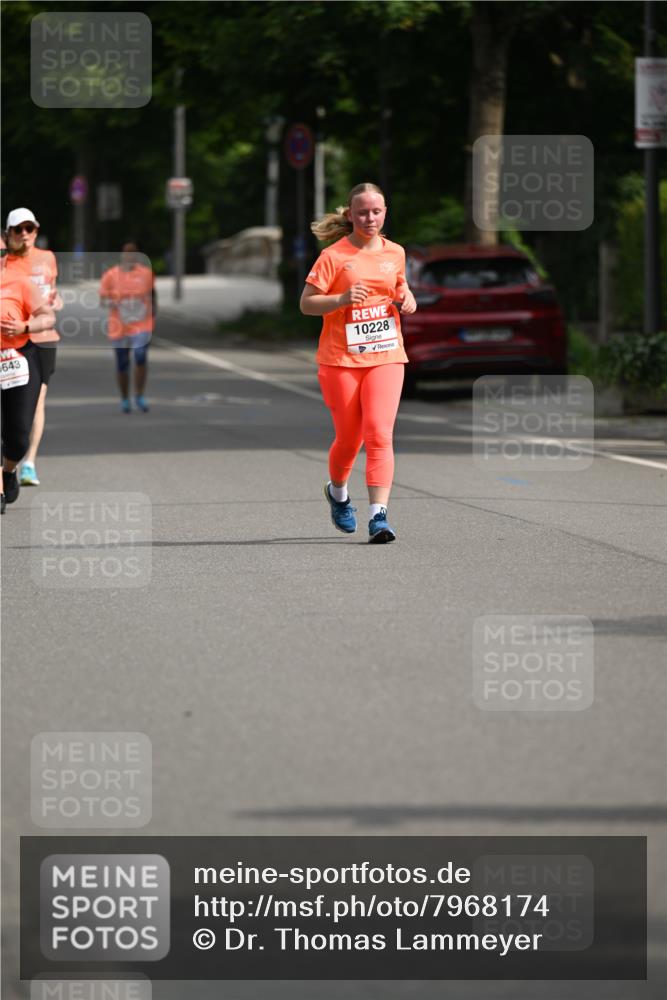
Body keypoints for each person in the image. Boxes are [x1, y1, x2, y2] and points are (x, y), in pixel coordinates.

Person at [300, 182, 417, 544]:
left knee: (379, 434)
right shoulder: (333, 256)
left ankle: (378, 517)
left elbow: (399, 286)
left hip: (386, 354)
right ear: (350, 215)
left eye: (377, 211)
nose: (370, 218)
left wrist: (407, 298)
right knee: (349, 440)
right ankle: (338, 492)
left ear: (385, 213)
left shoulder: (395, 252)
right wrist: (342, 298)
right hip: (341, 360)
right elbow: (306, 303)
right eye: (363, 212)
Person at [4, 207, 62, 487]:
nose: (25, 235)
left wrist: (55, 301)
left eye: (30, 229)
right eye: (19, 230)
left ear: (36, 231)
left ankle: (28, 462)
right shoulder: (6, 265)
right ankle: (14, 457)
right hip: (14, 343)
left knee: (37, 399)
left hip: (44, 337)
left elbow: (51, 292)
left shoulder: (48, 258)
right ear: (9, 235)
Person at [99, 240, 156, 413]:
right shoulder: (110, 275)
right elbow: (103, 299)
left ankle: (139, 394)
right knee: (123, 363)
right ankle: (125, 398)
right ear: (122, 255)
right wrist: (114, 302)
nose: (130, 256)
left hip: (142, 324)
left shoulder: (146, 274)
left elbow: (153, 294)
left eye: (134, 253)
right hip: (120, 326)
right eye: (127, 252)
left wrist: (153, 314)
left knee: (140, 356)